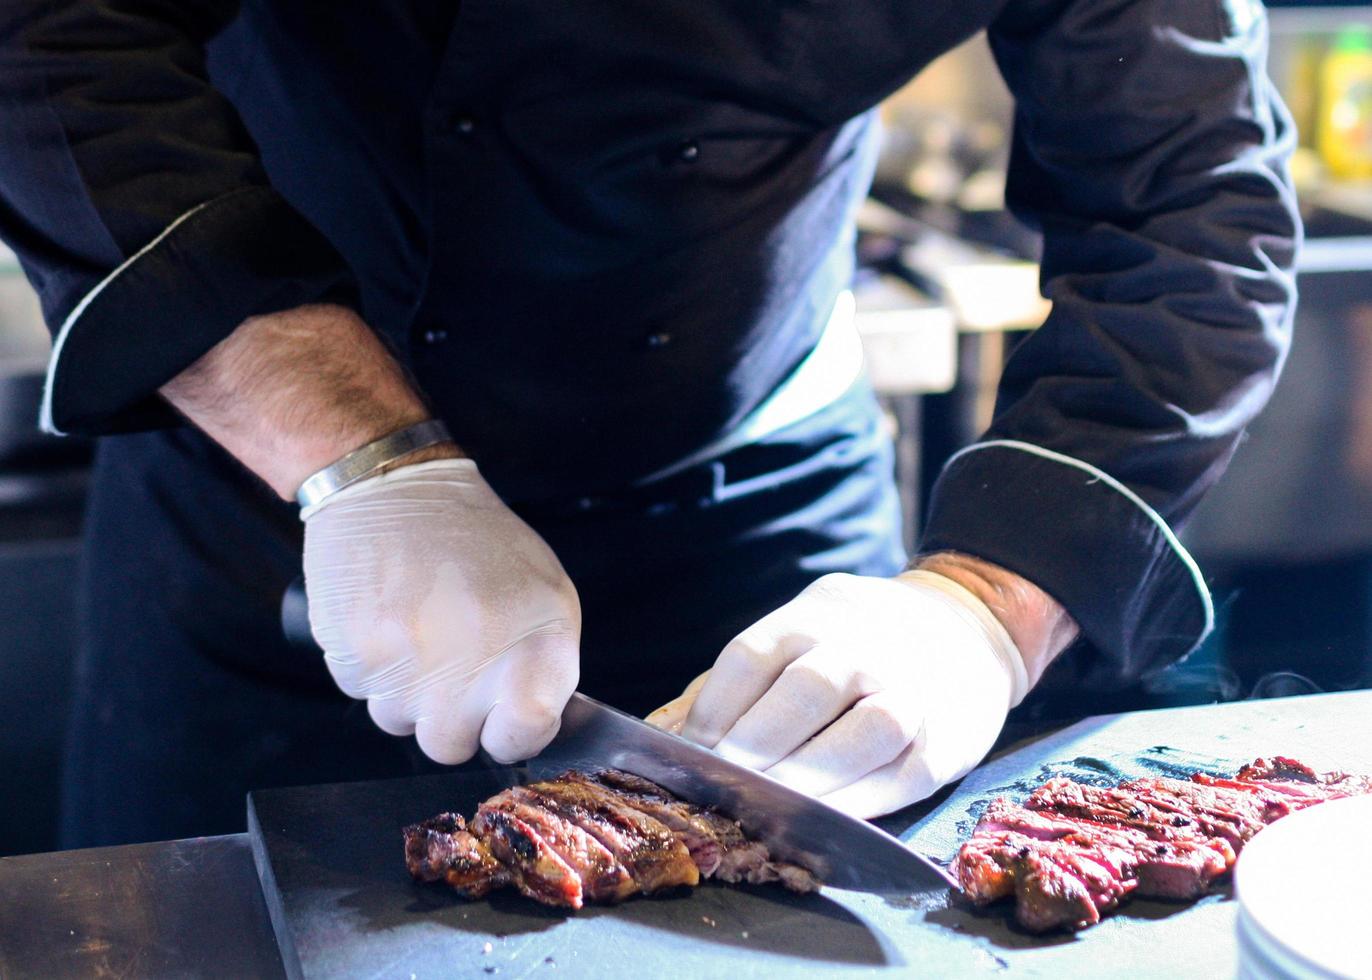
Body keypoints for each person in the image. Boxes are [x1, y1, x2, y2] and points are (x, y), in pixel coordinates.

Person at [0, 0, 1298, 848]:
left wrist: (985, 605)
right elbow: (57, 34)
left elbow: (1193, 195)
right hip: (284, 514)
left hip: (762, 526)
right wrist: (365, 465)